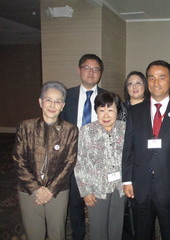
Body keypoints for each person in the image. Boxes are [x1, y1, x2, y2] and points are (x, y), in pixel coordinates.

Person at [122, 60, 170, 240]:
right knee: (142, 233)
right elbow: (128, 148)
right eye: (151, 78)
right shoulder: (134, 112)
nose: (156, 83)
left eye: (162, 78)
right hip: (140, 186)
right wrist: (127, 180)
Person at [12, 81, 78, 240]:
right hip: (28, 189)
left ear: (63, 105)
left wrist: (50, 189)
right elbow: (18, 160)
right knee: (34, 234)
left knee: (57, 233)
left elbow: (70, 162)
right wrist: (36, 188)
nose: (52, 105)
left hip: (58, 191)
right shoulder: (25, 126)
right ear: (40, 102)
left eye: (57, 101)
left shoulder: (70, 130)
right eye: (48, 100)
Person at [60, 53, 107, 240]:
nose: (91, 72)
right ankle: (78, 235)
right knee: (75, 203)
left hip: (98, 161)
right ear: (79, 70)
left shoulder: (108, 97)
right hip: (72, 159)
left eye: (96, 69)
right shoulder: (66, 96)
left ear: (100, 73)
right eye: (87, 68)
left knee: (98, 204)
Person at [74, 92, 126, 240]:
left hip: (119, 187)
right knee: (98, 230)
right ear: (96, 111)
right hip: (96, 189)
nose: (106, 115)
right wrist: (86, 191)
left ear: (118, 111)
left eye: (111, 110)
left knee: (116, 227)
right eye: (102, 110)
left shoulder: (125, 129)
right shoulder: (86, 131)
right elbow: (80, 162)